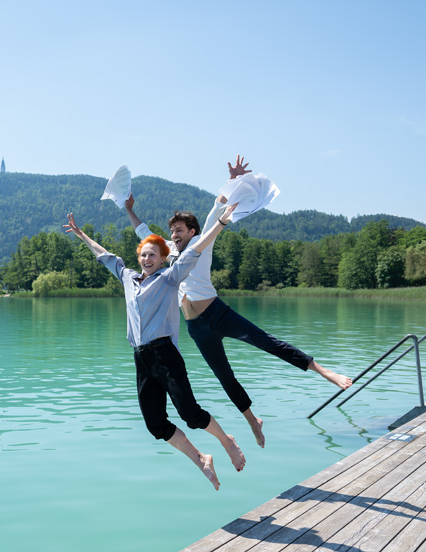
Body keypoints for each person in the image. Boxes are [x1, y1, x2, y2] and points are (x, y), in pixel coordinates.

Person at [124, 155, 353, 448]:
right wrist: (130, 210)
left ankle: (326, 372)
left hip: (217, 314)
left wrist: (233, 180)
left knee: (266, 342)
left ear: (192, 232)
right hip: (197, 328)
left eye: (179, 230)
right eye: (172, 232)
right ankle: (253, 421)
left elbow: (217, 209)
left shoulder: (200, 244)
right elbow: (144, 233)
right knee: (224, 376)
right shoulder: (166, 254)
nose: (174, 235)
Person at [64, 208, 245, 491]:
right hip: (141, 358)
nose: (146, 259)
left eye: (152, 255)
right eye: (143, 255)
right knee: (155, 425)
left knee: (190, 414)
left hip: (165, 355)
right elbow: (105, 256)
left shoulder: (170, 277)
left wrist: (220, 222)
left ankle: (226, 440)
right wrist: (81, 234)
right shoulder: (128, 279)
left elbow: (197, 247)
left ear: (162, 259)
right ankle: (201, 459)